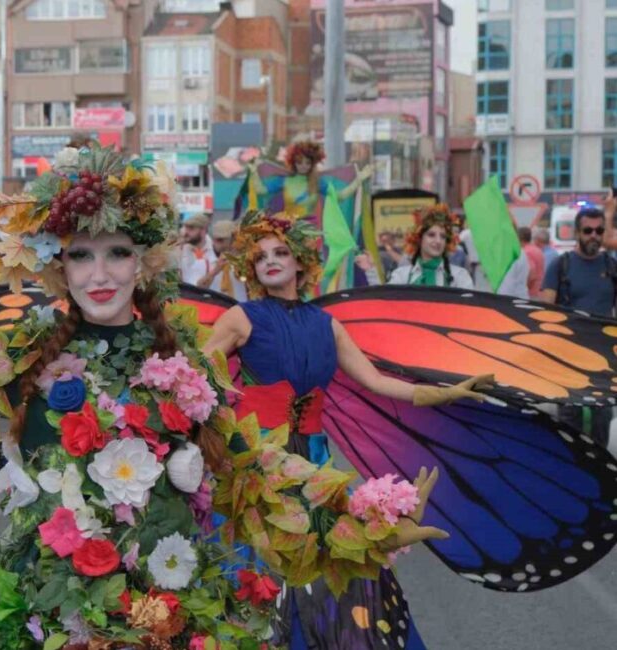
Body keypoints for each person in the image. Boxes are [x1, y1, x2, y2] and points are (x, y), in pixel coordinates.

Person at [0, 148, 441, 647]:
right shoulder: (22, 350)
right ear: (56, 264)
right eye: (80, 254)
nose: (100, 273)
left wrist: (363, 517)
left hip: (171, 610)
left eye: (118, 252)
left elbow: (252, 477)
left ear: (147, 260)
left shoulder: (183, 363)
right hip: (51, 612)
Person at [205, 210, 491, 649]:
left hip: (316, 460)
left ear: (301, 262)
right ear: (251, 269)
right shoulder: (242, 317)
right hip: (259, 459)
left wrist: (447, 392)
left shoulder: (327, 325)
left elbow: (376, 381)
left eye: (281, 252)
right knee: (261, 565)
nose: (271, 261)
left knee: (332, 559)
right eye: (261, 257)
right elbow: (196, 372)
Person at [541, 206, 615, 447]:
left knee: (601, 419)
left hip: (604, 360)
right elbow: (544, 314)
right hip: (568, 358)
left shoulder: (612, 267)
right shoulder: (560, 266)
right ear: (577, 232)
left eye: (599, 230)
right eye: (587, 230)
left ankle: (601, 475)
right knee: (569, 421)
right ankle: (573, 474)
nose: (593, 235)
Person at [359, 204, 474, 288]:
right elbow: (384, 304)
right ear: (419, 238)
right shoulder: (402, 275)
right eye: (431, 235)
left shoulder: (459, 277)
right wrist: (371, 271)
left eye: (443, 236)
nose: (438, 241)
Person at [199, 219, 247, 300]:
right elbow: (199, 290)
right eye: (214, 239)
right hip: (218, 309)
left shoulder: (245, 260)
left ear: (233, 239)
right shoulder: (206, 261)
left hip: (242, 309)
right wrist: (215, 271)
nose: (215, 244)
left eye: (221, 240)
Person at [179, 213, 216, 286]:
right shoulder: (181, 248)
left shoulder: (214, 250)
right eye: (186, 228)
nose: (186, 232)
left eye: (191, 228)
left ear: (203, 231)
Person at [520, 225, 546, 298]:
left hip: (531, 294)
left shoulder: (526, 252)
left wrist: (525, 288)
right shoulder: (537, 250)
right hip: (540, 291)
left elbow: (532, 274)